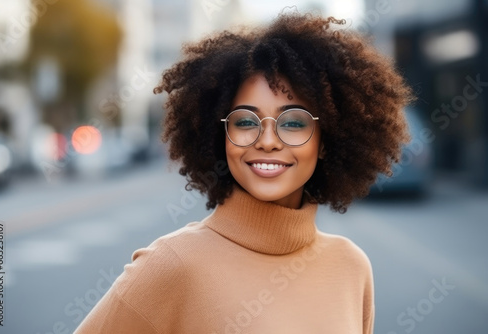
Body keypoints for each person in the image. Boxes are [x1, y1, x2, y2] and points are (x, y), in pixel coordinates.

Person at [75, 11, 413, 334]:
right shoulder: (171, 265)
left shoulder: (352, 267)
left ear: (326, 141)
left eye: (293, 122)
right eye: (246, 121)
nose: (267, 141)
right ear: (220, 137)